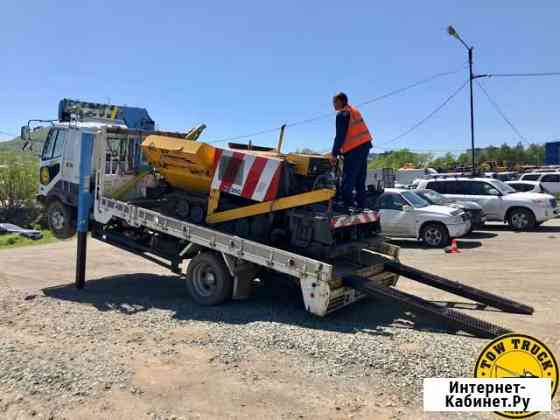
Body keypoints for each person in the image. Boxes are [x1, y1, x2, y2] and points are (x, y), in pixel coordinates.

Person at [330, 92, 373, 210]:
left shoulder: (342, 114)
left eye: (334, 102)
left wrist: (334, 154)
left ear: (340, 101)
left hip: (354, 149)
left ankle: (347, 205)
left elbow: (340, 136)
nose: (333, 105)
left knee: (348, 178)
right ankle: (361, 205)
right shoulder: (353, 111)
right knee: (360, 178)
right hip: (364, 147)